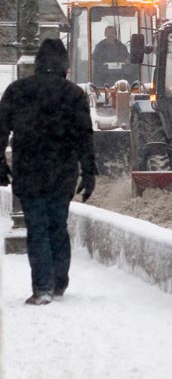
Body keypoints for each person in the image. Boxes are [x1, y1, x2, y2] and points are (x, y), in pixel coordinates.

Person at [0, 38, 96, 305]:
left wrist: (0, 164)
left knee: (37, 228)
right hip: (62, 171)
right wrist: (88, 173)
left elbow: (1, 131)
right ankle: (58, 283)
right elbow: (84, 137)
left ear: (38, 63)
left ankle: (42, 287)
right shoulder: (74, 94)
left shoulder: (17, 91)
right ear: (64, 64)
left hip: (29, 170)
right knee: (57, 226)